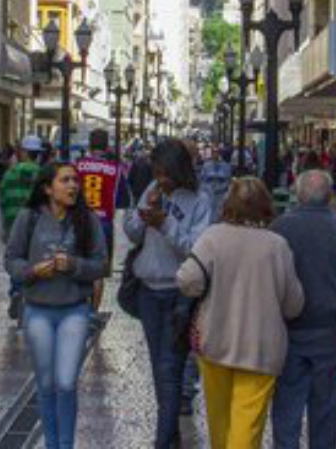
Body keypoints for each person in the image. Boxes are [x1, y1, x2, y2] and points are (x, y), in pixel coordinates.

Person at [177, 177, 305, 449]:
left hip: (215, 342)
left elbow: (187, 280)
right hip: (261, 349)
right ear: (265, 206)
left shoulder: (213, 237)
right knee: (247, 425)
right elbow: (294, 305)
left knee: (219, 420)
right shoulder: (277, 245)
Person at [5, 160, 107, 449]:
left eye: (75, 180)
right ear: (48, 188)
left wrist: (73, 264)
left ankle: (65, 444)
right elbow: (11, 259)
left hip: (74, 310)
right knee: (46, 385)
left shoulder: (87, 220)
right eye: (65, 180)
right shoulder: (29, 217)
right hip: (37, 310)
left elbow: (101, 265)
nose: (73, 185)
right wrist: (32, 271)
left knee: (66, 383)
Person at [124, 139, 211, 446]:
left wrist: (166, 224)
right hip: (148, 290)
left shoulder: (200, 200)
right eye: (156, 172)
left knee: (169, 368)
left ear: (179, 169)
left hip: (180, 295)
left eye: (165, 173)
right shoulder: (153, 189)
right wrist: (142, 214)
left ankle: (163, 441)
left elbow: (196, 250)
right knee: (158, 366)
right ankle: (170, 435)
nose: (160, 178)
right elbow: (132, 233)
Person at [270, 170, 336, 449]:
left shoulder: (279, 229)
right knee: (324, 405)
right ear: (331, 196)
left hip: (289, 328)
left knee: (287, 403)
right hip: (328, 328)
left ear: (297, 195)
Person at [74, 128, 122, 312]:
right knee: (98, 273)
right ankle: (93, 312)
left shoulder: (77, 165)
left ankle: (78, 305)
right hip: (104, 223)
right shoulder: (115, 169)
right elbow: (122, 200)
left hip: (80, 220)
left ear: (90, 144)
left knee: (77, 263)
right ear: (107, 145)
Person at [0, 136, 45, 319]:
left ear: (24, 152)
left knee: (16, 259)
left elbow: (3, 199)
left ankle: (16, 291)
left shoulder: (10, 173)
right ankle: (31, 295)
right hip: (36, 224)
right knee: (34, 260)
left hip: (13, 224)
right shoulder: (42, 174)